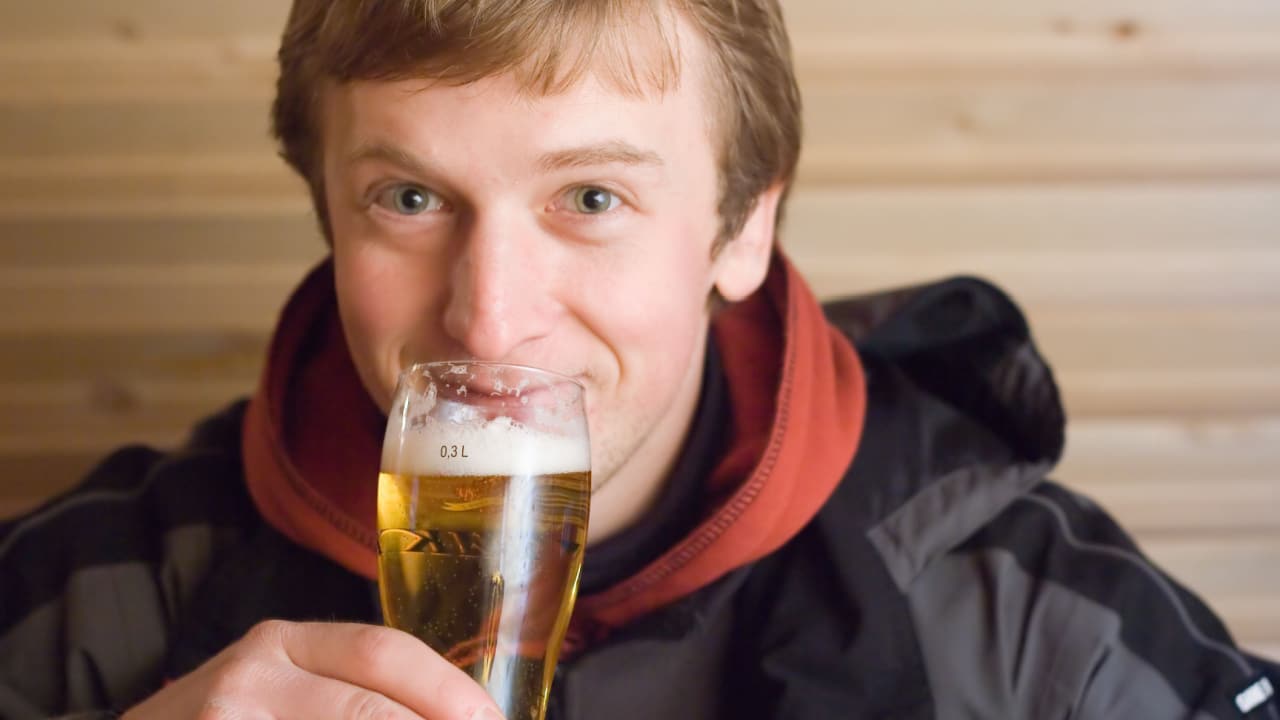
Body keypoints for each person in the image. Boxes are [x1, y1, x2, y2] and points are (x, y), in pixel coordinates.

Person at [1, 1, 1276, 718]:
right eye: (407, 199)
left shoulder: (1038, 626)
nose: (489, 320)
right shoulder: (86, 594)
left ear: (743, 227)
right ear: (326, 211)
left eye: (591, 198)